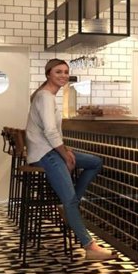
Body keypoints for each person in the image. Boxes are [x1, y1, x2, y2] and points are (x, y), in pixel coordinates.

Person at [25, 59, 113, 261]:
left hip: (49, 151)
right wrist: (64, 154)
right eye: (58, 71)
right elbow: (50, 131)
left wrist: (64, 149)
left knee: (94, 162)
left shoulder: (47, 96)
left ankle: (68, 206)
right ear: (48, 74)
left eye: (66, 72)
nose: (63, 75)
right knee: (70, 199)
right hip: (44, 154)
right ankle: (90, 246)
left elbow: (50, 131)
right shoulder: (45, 97)